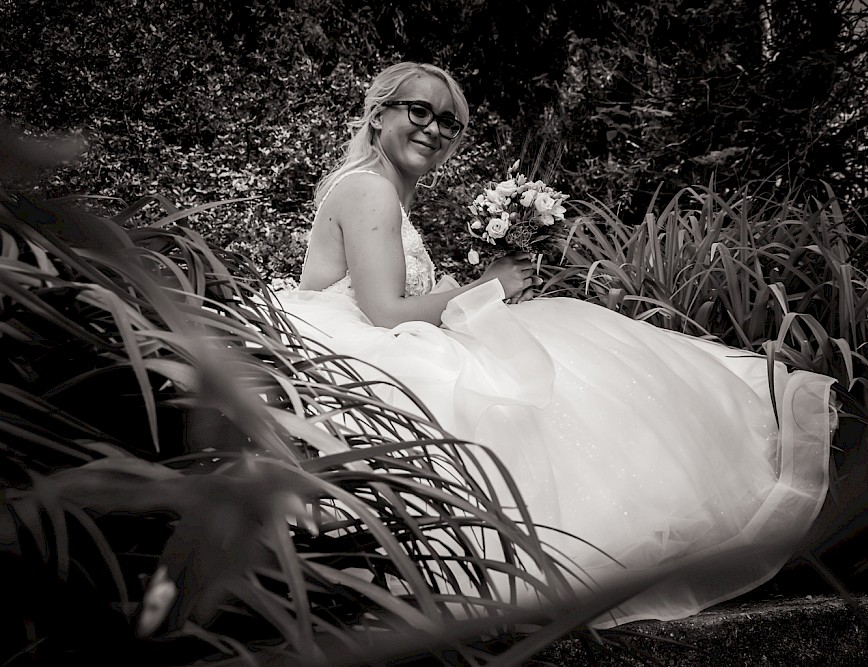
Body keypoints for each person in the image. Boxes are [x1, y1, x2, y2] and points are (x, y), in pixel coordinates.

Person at [276, 62, 836, 627]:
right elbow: (382, 313)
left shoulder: (380, 189)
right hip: (362, 350)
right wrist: (489, 285)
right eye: (417, 111)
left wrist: (476, 290)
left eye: (449, 121)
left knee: (556, 354)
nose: (434, 130)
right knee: (549, 366)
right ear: (378, 115)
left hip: (370, 338)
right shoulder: (371, 190)